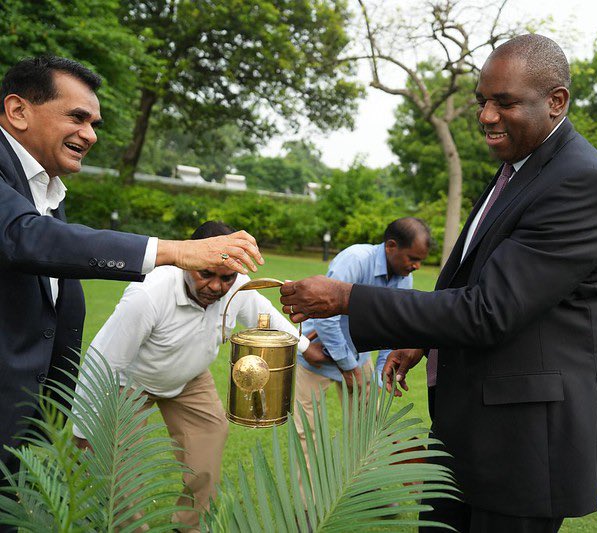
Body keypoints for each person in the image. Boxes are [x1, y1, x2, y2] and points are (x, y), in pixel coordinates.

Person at [279, 34, 597, 532]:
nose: (486, 116)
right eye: (483, 101)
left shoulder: (579, 182)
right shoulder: (519, 165)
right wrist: (421, 336)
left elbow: (489, 311)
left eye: (505, 102)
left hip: (523, 444)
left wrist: (346, 298)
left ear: (556, 102)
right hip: (472, 430)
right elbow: (473, 275)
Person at [0, 55, 263, 472]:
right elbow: (24, 237)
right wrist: (175, 251)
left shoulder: (47, 186)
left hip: (27, 408)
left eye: (94, 125)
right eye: (77, 118)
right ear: (18, 111)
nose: (90, 135)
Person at [71, 220, 323, 531]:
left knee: (208, 450)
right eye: (206, 274)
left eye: (226, 278)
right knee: (121, 476)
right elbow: (103, 360)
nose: (217, 287)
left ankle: (188, 526)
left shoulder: (237, 287)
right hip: (130, 385)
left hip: (190, 379)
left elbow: (263, 311)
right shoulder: (148, 295)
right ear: (189, 260)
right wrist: (83, 431)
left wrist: (305, 346)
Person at [292, 217, 430, 462]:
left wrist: (380, 375)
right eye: (413, 258)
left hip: (358, 359)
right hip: (317, 355)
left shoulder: (404, 277)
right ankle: (314, 501)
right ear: (391, 246)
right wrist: (347, 365)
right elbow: (325, 319)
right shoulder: (355, 259)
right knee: (308, 439)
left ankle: (369, 498)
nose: (417, 266)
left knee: (367, 435)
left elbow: (391, 326)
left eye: (421, 260)